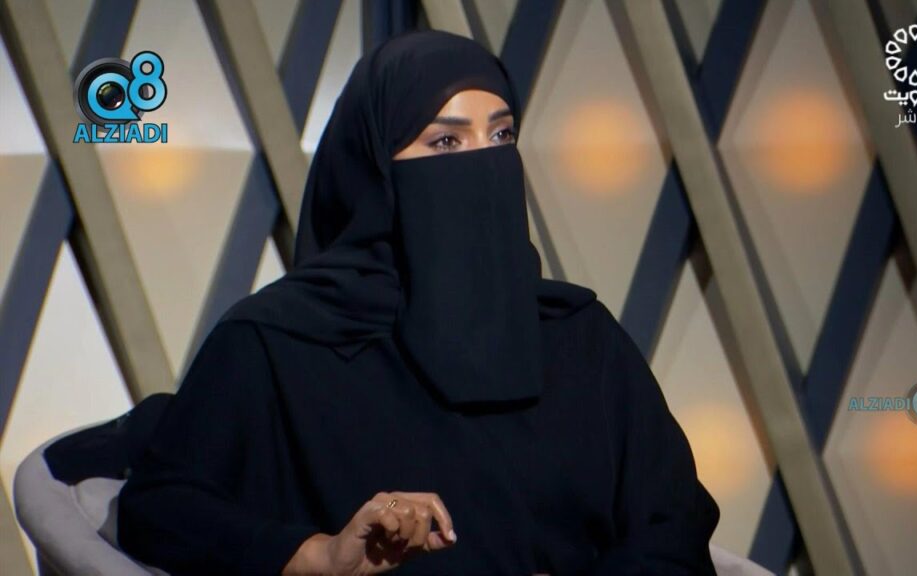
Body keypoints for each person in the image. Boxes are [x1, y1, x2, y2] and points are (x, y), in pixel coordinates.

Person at [116, 30, 719, 576]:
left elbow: (675, 523)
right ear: (374, 168)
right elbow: (160, 508)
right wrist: (316, 555)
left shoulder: (580, 337)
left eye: (501, 135)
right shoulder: (276, 342)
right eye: (446, 141)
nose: (485, 163)